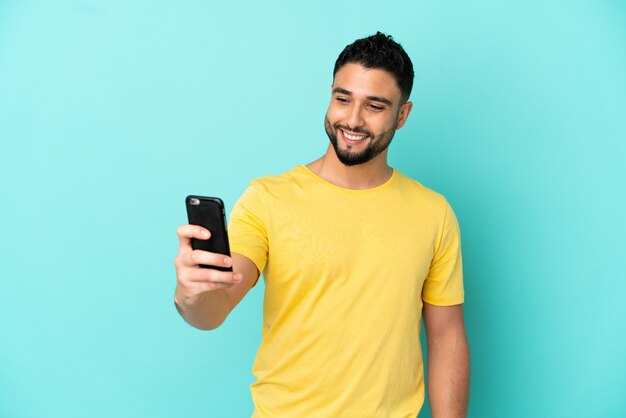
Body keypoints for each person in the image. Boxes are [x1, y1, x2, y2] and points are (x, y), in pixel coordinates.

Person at [174, 32, 470, 417]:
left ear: (402, 115)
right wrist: (190, 293)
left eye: (374, 106)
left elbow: (446, 335)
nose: (352, 119)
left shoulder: (434, 212)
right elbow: (213, 311)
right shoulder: (268, 198)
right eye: (342, 98)